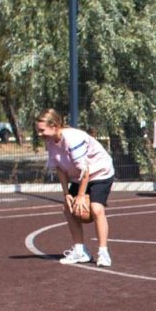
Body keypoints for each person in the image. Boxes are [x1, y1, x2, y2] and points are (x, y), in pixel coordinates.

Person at [35, 109, 114, 267]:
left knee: (96, 208)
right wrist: (66, 194)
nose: (39, 134)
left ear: (54, 126)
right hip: (80, 176)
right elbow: (59, 168)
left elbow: (85, 170)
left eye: (42, 130)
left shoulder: (72, 139)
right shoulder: (50, 142)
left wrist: (80, 195)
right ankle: (80, 251)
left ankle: (103, 252)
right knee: (68, 208)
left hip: (100, 172)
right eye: (38, 130)